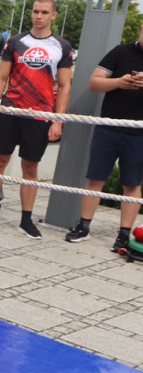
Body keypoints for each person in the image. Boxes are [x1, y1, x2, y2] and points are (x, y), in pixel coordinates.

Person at [0, 0, 72, 237]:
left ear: (53, 15)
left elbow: (65, 86)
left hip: (40, 115)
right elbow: (1, 78)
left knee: (30, 167)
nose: (39, 16)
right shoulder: (16, 42)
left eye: (45, 12)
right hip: (11, 111)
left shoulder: (62, 46)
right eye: (36, 11)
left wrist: (59, 119)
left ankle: (26, 220)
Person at [64, 24, 143, 252]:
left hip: (139, 133)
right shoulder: (120, 51)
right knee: (95, 178)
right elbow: (94, 82)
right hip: (108, 127)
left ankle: (124, 234)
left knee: (132, 184)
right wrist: (120, 82)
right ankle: (84, 225)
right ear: (140, 29)